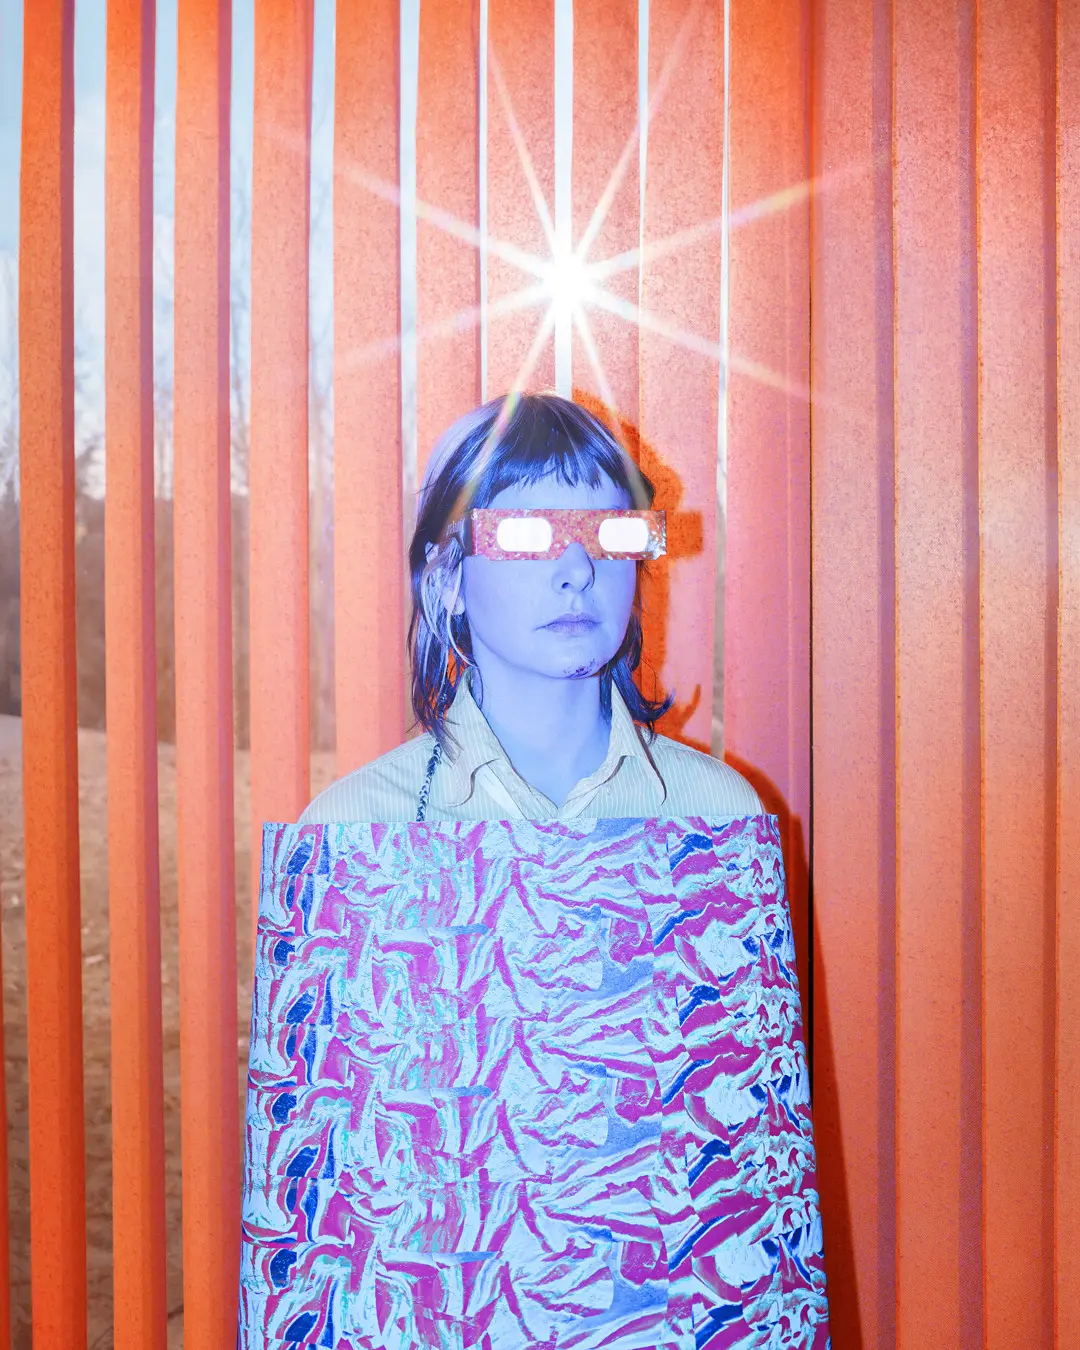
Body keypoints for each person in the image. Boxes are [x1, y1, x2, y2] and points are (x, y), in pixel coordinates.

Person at [299, 391, 762, 827]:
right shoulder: (351, 833)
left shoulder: (721, 818)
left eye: (611, 532)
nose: (578, 570)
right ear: (446, 579)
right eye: (526, 534)